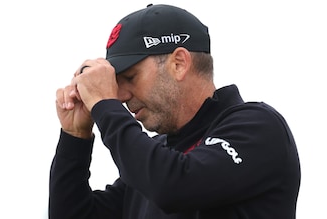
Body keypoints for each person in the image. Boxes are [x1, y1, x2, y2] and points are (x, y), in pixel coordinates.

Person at [49, 4, 300, 219]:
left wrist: (105, 106)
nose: (121, 96)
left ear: (178, 64)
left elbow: (172, 187)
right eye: (115, 84)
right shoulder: (156, 159)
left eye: (130, 77)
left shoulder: (258, 127)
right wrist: (75, 138)